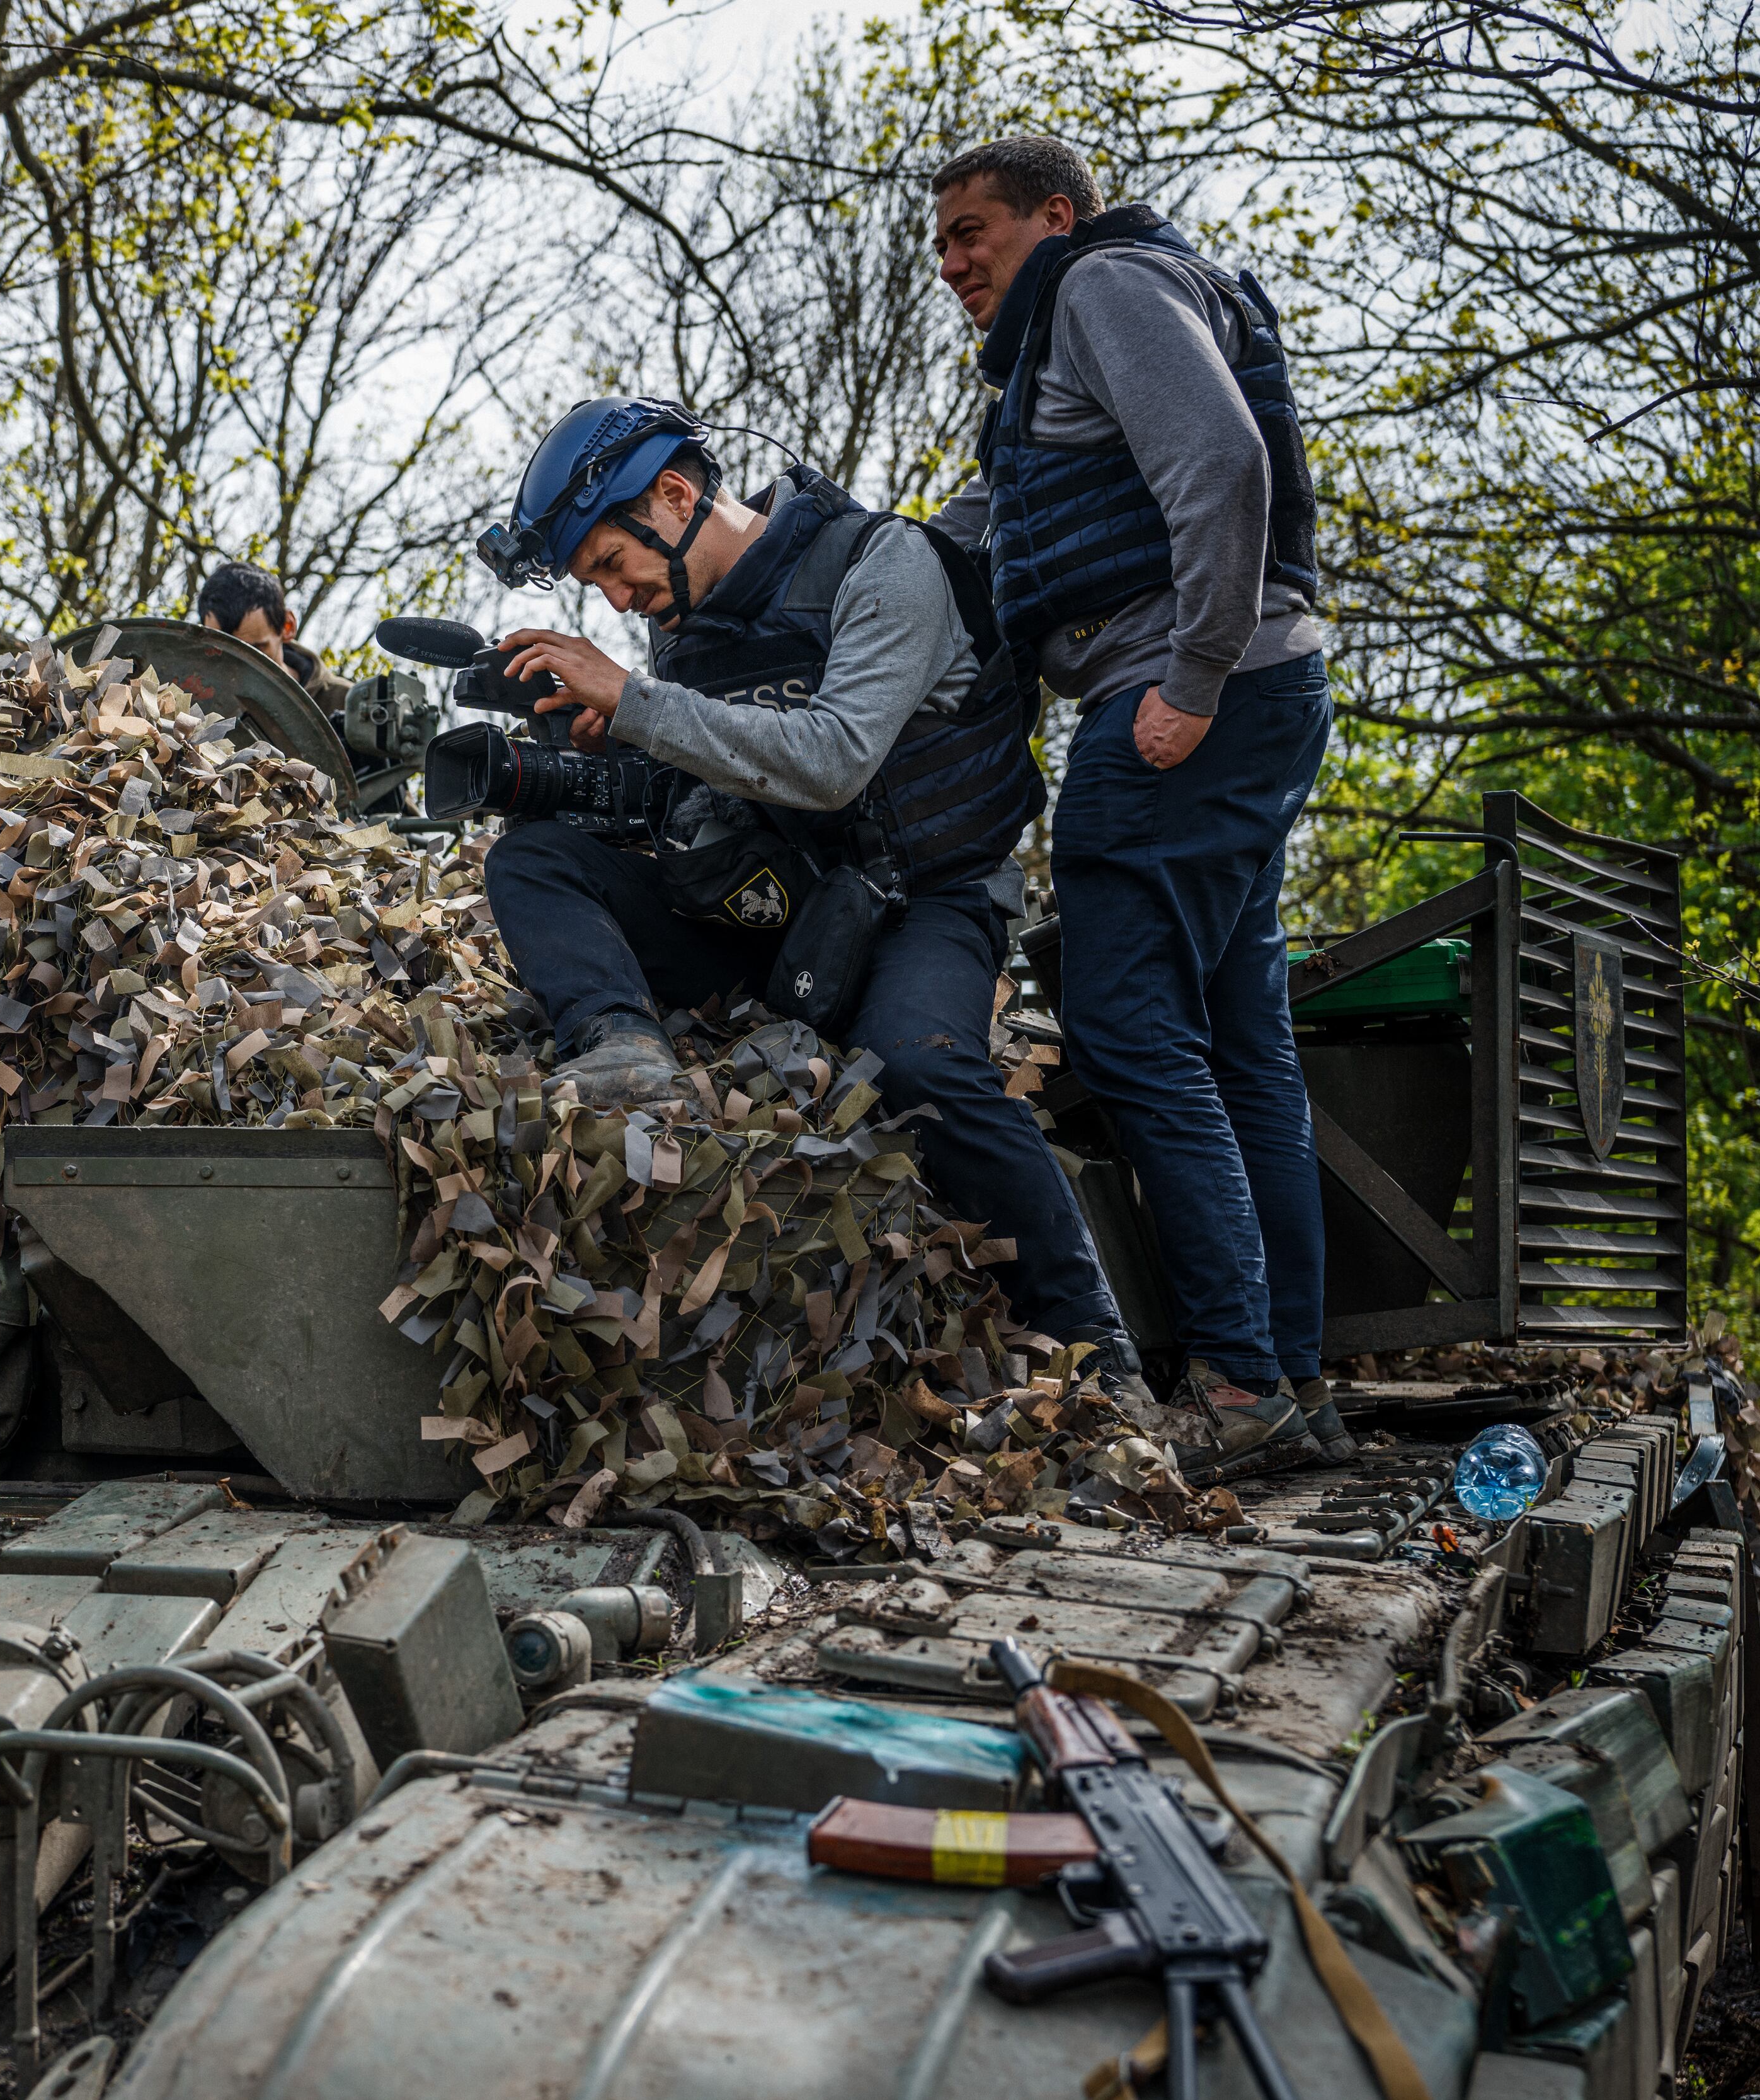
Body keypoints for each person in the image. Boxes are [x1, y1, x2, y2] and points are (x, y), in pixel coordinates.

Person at [475, 397, 1143, 1385]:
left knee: (917, 1066)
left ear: (675, 494)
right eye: (596, 584)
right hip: (779, 909)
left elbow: (833, 760)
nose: (616, 601)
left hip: (929, 902)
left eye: (615, 566)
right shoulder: (682, 631)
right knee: (530, 858)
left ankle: (1099, 1350)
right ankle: (622, 1045)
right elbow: (706, 782)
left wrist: (643, 705)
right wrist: (615, 742)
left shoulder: (885, 565)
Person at [925, 135, 1344, 1483]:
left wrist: (1190, 677)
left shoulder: (1103, 285)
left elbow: (1222, 462)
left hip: (1178, 704)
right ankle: (1286, 1375)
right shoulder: (1098, 316)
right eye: (938, 244)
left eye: (971, 232)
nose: (952, 264)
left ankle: (1232, 1383)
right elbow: (993, 520)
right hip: (1251, 697)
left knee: (1128, 1027)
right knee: (1241, 1045)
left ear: (1055, 215)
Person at [196, 560, 352, 710]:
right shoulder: (195, 703)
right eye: (223, 653)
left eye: (255, 651)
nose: (239, 667)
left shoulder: (346, 704)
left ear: (287, 626)